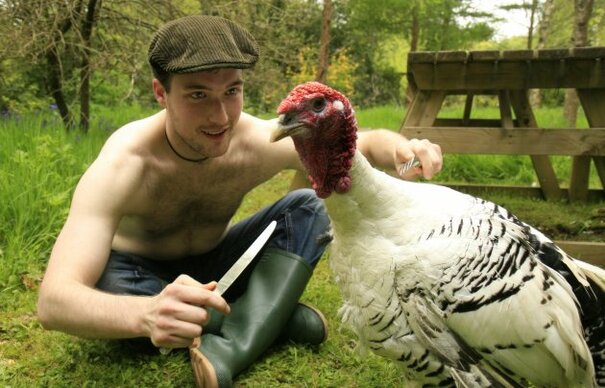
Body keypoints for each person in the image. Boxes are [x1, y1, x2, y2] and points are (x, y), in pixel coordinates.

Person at [37, 14, 443, 388]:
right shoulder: (125, 164)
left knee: (308, 205)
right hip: (138, 273)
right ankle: (271, 316)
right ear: (161, 92)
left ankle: (234, 336)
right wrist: (145, 314)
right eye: (198, 95)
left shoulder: (250, 139)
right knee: (109, 286)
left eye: (231, 91)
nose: (221, 118)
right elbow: (55, 300)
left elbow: (366, 141)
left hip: (220, 261)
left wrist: (404, 149)